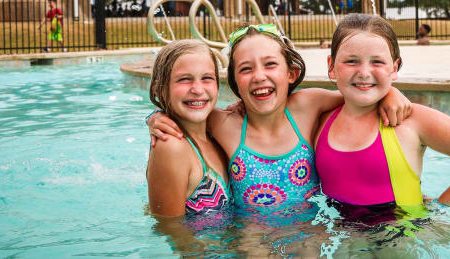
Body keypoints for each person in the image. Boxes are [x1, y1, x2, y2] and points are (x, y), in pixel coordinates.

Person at [148, 24, 411, 211]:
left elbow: (357, 92)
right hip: (252, 244)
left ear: (291, 73)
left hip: (311, 239)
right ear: (236, 84)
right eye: (246, 69)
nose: (259, 76)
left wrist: (390, 92)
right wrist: (155, 117)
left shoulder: (307, 107)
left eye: (270, 64)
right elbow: (187, 115)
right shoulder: (224, 124)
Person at [314, 14, 450, 212]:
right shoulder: (320, 119)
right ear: (331, 66)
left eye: (377, 62)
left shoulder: (410, 120)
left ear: (394, 68)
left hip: (398, 236)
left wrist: (443, 208)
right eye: (351, 61)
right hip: (337, 233)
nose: (364, 72)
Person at [146, 39, 230, 217]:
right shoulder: (172, 147)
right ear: (159, 89)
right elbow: (172, 231)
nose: (198, 89)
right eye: (184, 79)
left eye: (207, 78)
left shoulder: (218, 132)